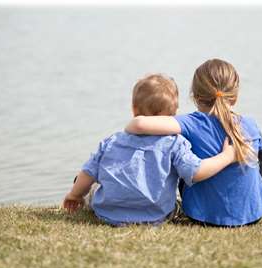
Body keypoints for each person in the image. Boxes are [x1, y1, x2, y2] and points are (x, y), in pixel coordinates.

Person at [125, 59, 262, 227]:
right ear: (235, 97)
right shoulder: (250, 125)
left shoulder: (189, 123)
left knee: (180, 145)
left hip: (201, 216)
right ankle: (253, 203)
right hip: (251, 218)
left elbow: (139, 124)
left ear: (195, 96)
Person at [62, 74, 236, 226]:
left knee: (92, 187)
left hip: (108, 213)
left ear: (133, 110)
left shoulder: (111, 141)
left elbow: (88, 173)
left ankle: (91, 198)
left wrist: (74, 195)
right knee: (174, 201)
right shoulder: (175, 143)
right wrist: (226, 156)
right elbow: (195, 171)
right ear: (173, 114)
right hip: (156, 216)